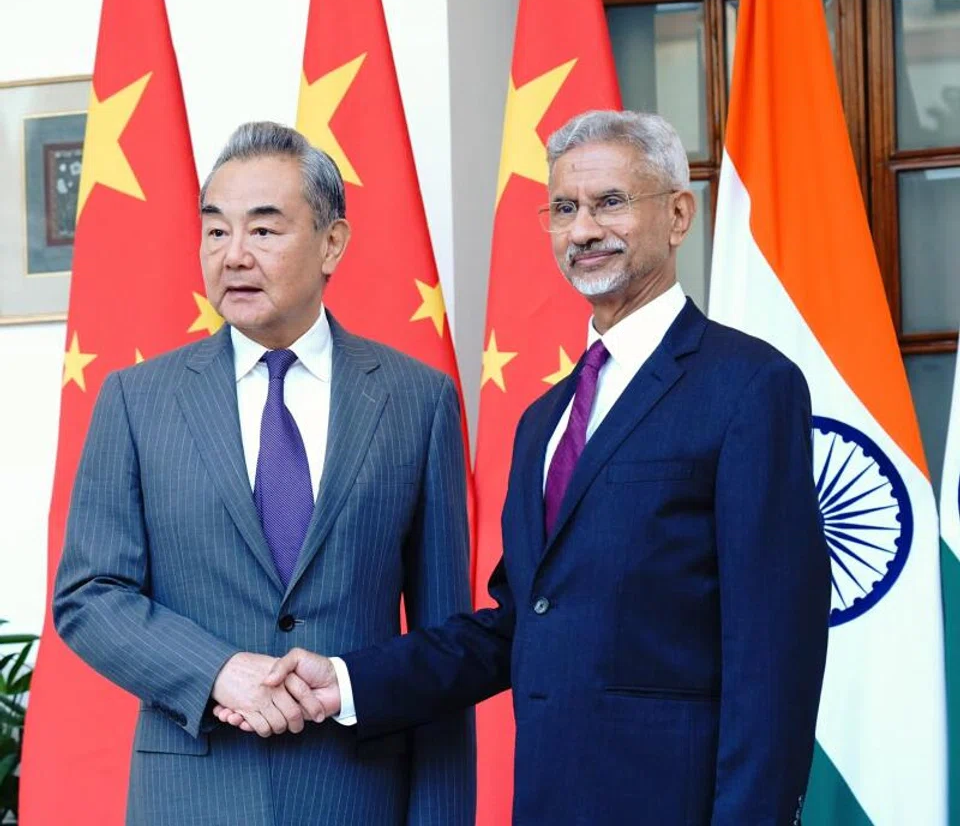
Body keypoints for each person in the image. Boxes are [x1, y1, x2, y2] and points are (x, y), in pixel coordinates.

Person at [229, 110, 832, 826]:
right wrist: (348, 680)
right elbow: (519, 627)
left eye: (610, 203)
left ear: (677, 216)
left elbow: (774, 650)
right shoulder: (544, 421)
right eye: (564, 209)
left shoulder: (750, 387)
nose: (582, 230)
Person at [53, 122, 475, 826]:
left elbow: (442, 651)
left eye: (265, 231)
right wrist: (218, 670)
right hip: (191, 796)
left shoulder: (416, 400)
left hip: (359, 793)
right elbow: (89, 594)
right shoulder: (137, 400)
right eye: (215, 232)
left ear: (332, 243)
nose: (234, 256)